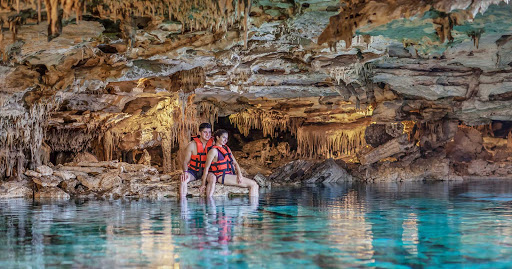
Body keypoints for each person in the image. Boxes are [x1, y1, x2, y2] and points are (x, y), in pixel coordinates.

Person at [200, 129, 259, 197]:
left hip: (229, 174)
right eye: (224, 137)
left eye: (227, 138)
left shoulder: (226, 149)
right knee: (253, 184)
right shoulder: (213, 151)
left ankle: (252, 206)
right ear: (217, 137)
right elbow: (206, 168)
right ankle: (253, 206)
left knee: (254, 185)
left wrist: (240, 175)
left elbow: (235, 163)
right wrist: (203, 184)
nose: (226, 140)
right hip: (221, 176)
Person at [180, 122, 214, 198]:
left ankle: (210, 204)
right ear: (199, 133)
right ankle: (183, 205)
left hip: (208, 171)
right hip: (194, 171)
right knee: (183, 180)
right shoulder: (192, 145)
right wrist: (185, 172)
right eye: (205, 132)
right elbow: (185, 162)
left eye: (209, 132)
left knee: (212, 179)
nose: (208, 134)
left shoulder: (213, 144)